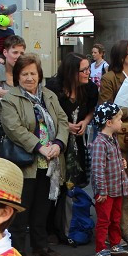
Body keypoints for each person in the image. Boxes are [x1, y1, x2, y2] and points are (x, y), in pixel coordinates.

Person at [0, 54, 68, 256]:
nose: (29, 78)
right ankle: (18, 250)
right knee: (22, 207)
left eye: (33, 73)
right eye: (24, 74)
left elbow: (63, 121)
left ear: (39, 75)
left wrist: (58, 144)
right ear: (17, 76)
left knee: (42, 206)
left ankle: (41, 245)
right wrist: (39, 147)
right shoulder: (10, 99)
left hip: (50, 160)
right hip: (26, 161)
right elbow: (14, 128)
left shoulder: (49, 95)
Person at [99, 39, 128, 243]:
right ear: (122, 57)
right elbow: (104, 107)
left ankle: (123, 227)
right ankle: (110, 230)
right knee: (113, 187)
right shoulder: (110, 78)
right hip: (117, 139)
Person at [45, 53, 97, 189]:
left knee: (76, 183)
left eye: (89, 68)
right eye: (84, 70)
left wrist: (85, 122)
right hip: (57, 140)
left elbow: (92, 109)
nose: (88, 73)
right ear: (71, 72)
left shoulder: (90, 88)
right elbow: (46, 114)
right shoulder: (53, 88)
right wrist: (66, 125)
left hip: (78, 140)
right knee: (59, 181)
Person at [89, 102, 128, 256]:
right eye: (119, 119)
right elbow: (98, 168)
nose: (121, 123)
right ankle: (100, 248)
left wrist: (122, 162)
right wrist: (101, 190)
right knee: (104, 219)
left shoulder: (112, 139)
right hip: (106, 191)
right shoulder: (100, 143)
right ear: (109, 122)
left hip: (117, 188)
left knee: (115, 217)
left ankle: (115, 243)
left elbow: (111, 161)